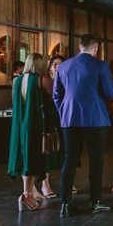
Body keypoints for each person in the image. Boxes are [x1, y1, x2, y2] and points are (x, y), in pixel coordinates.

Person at [53, 34, 113, 216]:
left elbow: (56, 95)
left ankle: (65, 204)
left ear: (80, 46)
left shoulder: (63, 66)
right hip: (95, 119)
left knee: (69, 160)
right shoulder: (100, 65)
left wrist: (64, 111)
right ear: (95, 48)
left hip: (70, 119)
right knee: (96, 161)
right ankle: (95, 202)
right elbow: (110, 92)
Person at [7, 53, 47, 211]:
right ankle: (26, 194)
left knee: (24, 159)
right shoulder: (37, 80)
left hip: (19, 124)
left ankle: (28, 193)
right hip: (32, 124)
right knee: (31, 159)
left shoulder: (17, 81)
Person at [38, 55, 65, 200]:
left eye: (60, 64)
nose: (57, 66)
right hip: (49, 116)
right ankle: (45, 184)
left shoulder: (66, 79)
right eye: (55, 64)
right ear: (50, 66)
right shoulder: (45, 80)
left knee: (64, 149)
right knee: (48, 149)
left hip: (63, 116)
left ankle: (67, 182)